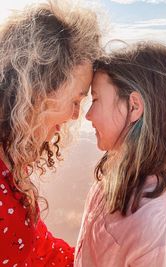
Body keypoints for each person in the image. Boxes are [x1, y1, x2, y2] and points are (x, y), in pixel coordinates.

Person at [75, 41, 166, 266]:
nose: (88, 115)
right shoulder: (120, 174)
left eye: (95, 100)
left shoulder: (160, 237)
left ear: (134, 106)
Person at [0, 1, 101, 266]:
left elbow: (37, 247)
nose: (76, 115)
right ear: (39, 87)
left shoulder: (10, 156)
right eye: (77, 99)